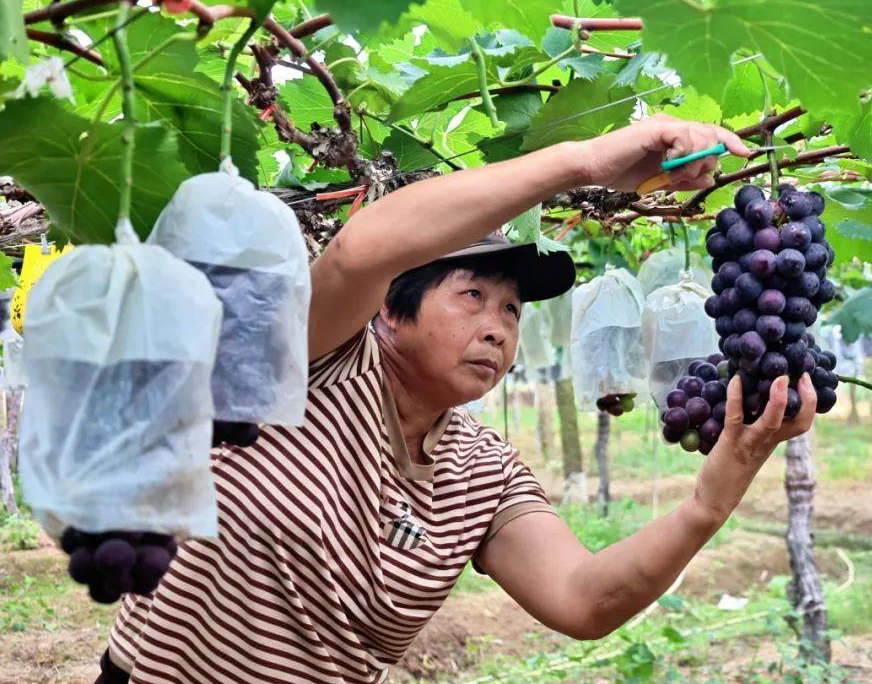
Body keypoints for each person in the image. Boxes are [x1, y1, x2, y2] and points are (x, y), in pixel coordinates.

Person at [99, 115, 818, 684]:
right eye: (472, 295)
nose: (497, 328)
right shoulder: (314, 365)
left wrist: (711, 500)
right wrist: (580, 163)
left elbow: (582, 599)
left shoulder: (483, 471)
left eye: (511, 311)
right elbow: (357, 255)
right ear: (390, 310)